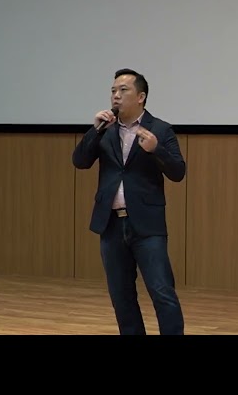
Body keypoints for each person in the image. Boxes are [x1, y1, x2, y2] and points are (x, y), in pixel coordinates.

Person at [72, 68, 185, 335]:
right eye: (113, 91)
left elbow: (178, 172)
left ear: (141, 97)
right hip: (111, 224)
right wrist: (94, 131)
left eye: (123, 90)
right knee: (121, 296)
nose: (116, 96)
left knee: (162, 291)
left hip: (147, 226)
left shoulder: (160, 129)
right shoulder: (106, 130)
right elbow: (80, 161)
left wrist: (156, 149)